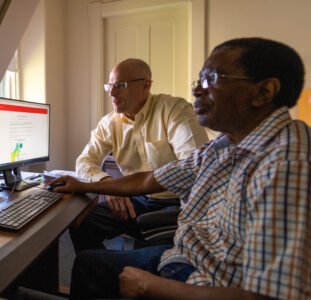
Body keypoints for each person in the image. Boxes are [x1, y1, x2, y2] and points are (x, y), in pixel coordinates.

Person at [53, 37, 310, 299]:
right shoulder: (224, 144)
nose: (198, 90)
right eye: (198, 81)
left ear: (264, 91)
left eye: (213, 78)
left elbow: (272, 296)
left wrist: (150, 286)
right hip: (192, 253)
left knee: (98, 271)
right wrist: (88, 185)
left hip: (203, 273)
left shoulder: (286, 164)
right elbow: (148, 180)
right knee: (88, 259)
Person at [72, 58, 209, 253]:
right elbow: (84, 161)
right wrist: (109, 185)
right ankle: (103, 271)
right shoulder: (109, 123)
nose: (112, 93)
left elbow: (195, 167)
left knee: (158, 255)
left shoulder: (174, 110)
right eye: (110, 86)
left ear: (146, 85)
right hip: (135, 200)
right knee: (83, 223)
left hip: (173, 202)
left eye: (120, 85)